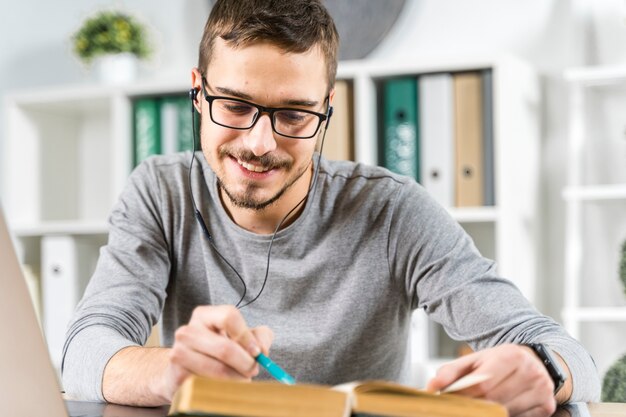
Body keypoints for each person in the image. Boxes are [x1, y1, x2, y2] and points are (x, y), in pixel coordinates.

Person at [62, 0, 600, 415]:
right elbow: (86, 350)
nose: (259, 143)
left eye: (294, 115)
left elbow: (569, 353)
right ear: (198, 93)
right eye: (234, 106)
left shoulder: (393, 211)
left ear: (327, 108)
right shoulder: (162, 193)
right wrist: (170, 372)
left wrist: (542, 369)